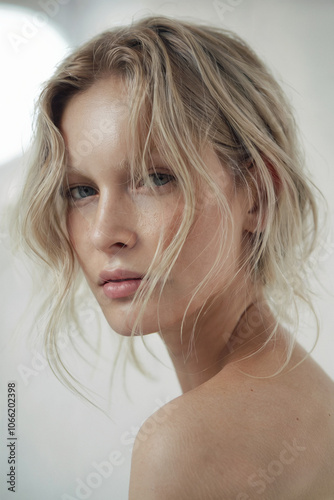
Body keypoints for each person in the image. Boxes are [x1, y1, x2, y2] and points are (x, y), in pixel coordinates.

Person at [16, 15, 334, 499]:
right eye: (81, 190)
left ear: (258, 195)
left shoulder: (185, 446)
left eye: (155, 178)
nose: (104, 233)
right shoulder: (313, 400)